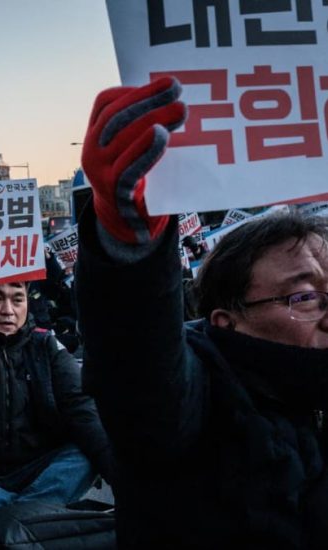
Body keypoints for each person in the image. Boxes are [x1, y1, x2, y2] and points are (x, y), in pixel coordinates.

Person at [77, 76, 328, 548]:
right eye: (304, 297)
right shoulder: (198, 399)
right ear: (226, 321)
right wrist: (127, 240)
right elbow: (141, 368)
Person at [0, 272, 114, 519]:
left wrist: (124, 481)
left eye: (18, 300)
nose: (8, 311)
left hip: (39, 470)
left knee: (83, 456)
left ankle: (7, 519)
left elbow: (82, 410)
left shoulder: (47, 347)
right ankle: (34, 518)